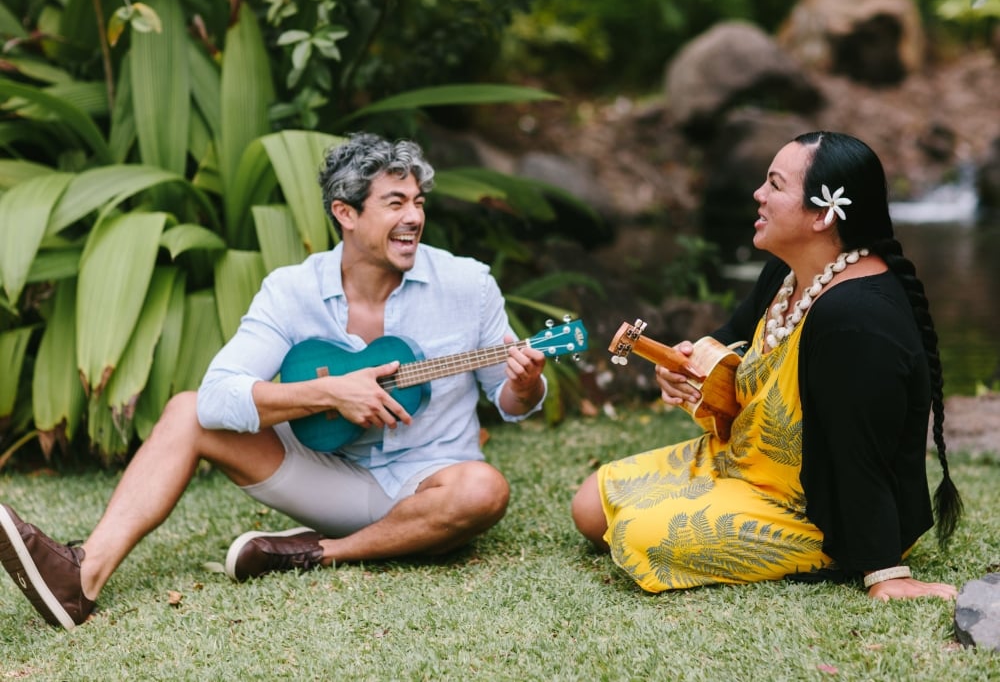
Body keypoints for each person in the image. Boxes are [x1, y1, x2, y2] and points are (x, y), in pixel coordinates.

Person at [0, 133, 548, 630]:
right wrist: (329, 393)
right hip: (330, 476)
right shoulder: (293, 290)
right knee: (188, 410)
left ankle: (319, 553)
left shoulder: (468, 283)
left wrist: (523, 385)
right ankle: (81, 577)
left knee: (485, 489)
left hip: (431, 484)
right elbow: (218, 395)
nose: (413, 217)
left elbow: (507, 397)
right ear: (345, 213)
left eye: (418, 203)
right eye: (395, 203)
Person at [571, 131, 963, 601]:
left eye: (775, 186)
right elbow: (724, 338)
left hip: (812, 508)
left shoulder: (855, 319)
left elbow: (863, 450)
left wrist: (885, 571)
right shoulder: (787, 272)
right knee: (590, 506)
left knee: (635, 530)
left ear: (823, 214)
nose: (758, 194)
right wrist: (682, 365)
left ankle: (847, 557)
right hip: (744, 461)